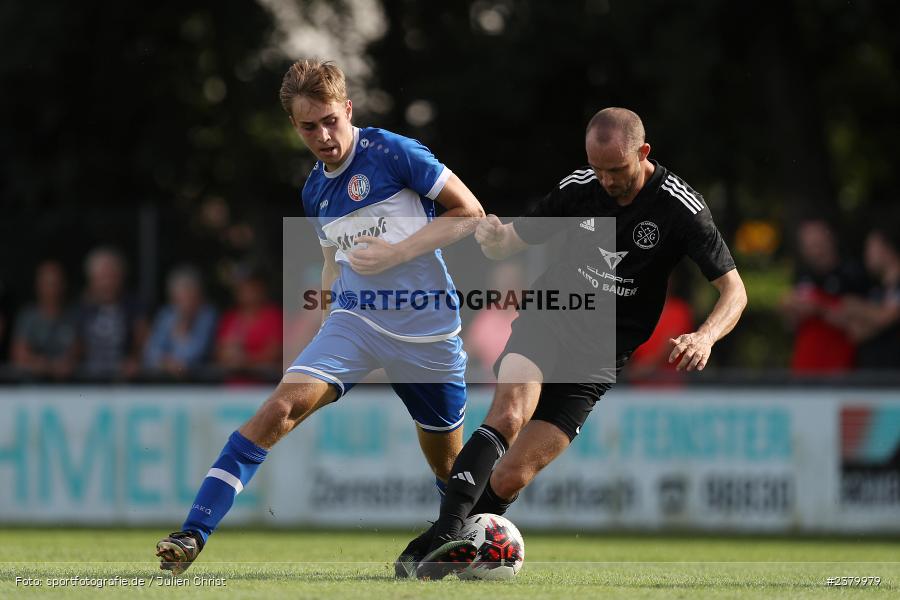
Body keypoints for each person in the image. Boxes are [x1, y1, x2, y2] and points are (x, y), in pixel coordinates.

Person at [156, 59, 485, 575]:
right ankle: (191, 534)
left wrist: (396, 254)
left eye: (331, 120)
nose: (324, 136)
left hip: (428, 329)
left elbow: (470, 213)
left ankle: (468, 536)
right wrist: (328, 300)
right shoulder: (314, 190)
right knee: (278, 410)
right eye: (309, 126)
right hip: (355, 323)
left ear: (347, 108)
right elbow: (334, 256)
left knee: (450, 469)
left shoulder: (392, 152)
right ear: (294, 126)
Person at [408, 107, 747, 579]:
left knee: (512, 476)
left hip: (599, 357)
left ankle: (443, 541)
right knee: (508, 414)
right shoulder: (579, 187)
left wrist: (705, 335)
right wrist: (491, 238)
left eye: (616, 170)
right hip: (550, 319)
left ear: (643, 153)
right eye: (597, 169)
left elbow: (735, 289)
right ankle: (443, 538)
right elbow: (511, 242)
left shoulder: (680, 207)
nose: (605, 181)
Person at [780, 219, 867, 373]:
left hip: (840, 367)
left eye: (817, 242)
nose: (814, 249)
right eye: (808, 245)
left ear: (830, 239)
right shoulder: (803, 275)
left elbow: (860, 322)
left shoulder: (850, 275)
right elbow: (788, 319)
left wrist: (819, 308)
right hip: (805, 368)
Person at [828, 228, 900, 369]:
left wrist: (855, 306)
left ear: (887, 249)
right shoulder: (875, 291)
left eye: (871, 247)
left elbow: (885, 317)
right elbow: (855, 332)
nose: (867, 254)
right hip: (871, 375)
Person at [77, 247, 147, 379]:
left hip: (125, 379)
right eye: (102, 277)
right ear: (92, 280)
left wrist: (136, 360)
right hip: (88, 380)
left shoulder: (133, 306)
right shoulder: (82, 308)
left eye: (112, 276)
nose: (107, 282)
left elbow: (143, 340)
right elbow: (75, 344)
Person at [143, 266, 217, 377]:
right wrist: (167, 363)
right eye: (180, 299)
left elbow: (196, 354)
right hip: (165, 381)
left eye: (190, 297)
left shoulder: (207, 315)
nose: (185, 304)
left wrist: (182, 331)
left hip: (199, 383)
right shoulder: (167, 315)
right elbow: (150, 353)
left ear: (199, 297)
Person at [11, 260, 78, 379]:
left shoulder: (74, 316)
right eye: (47, 283)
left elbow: (78, 351)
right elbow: (19, 354)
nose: (52, 289)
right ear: (38, 285)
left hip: (68, 387)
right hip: (31, 387)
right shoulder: (28, 316)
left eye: (56, 283)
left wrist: (67, 362)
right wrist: (46, 365)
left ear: (64, 285)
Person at [214, 266, 282, 382]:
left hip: (265, 386)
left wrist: (245, 360)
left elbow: (275, 352)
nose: (247, 291)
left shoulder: (274, 316)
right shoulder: (230, 318)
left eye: (252, 286)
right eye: (243, 287)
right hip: (232, 387)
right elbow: (220, 352)